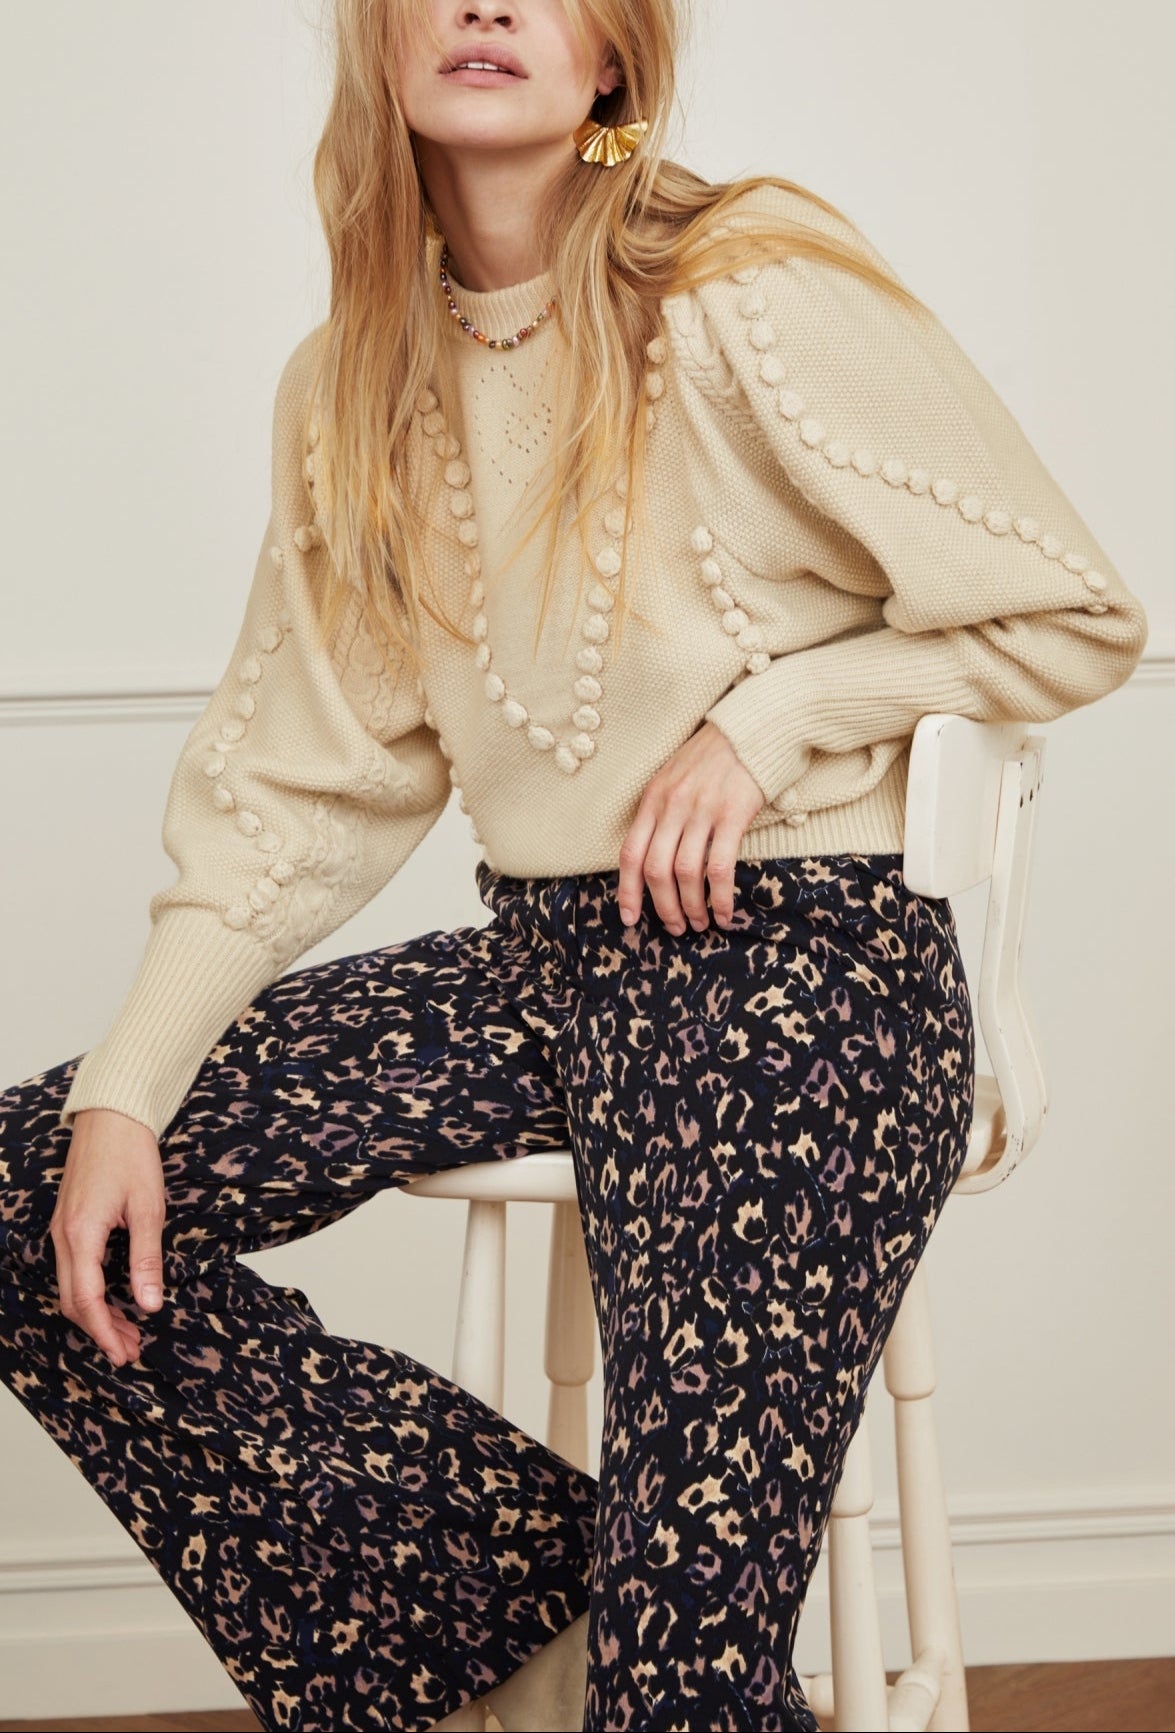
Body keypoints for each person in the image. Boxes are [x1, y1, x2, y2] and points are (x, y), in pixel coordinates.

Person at [0, 2, 1149, 1729]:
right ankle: (553, 1631)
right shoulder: (351, 387)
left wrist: (779, 718)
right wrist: (124, 1091)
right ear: (382, 40)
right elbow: (294, 796)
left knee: (681, 1687)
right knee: (25, 1192)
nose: (485, 5)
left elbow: (1077, 611)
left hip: (807, 970)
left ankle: (652, 1657)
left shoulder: (745, 283)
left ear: (610, 54)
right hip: (549, 960)